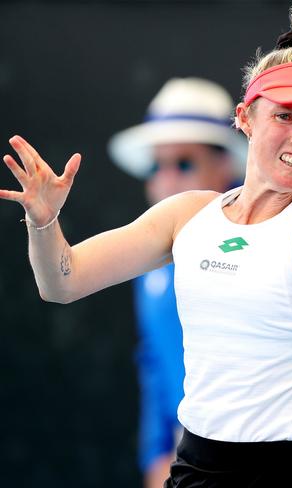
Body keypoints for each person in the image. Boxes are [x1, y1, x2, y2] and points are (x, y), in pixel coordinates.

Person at [0, 2, 292, 486]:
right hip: (196, 468)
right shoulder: (186, 216)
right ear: (246, 119)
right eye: (285, 116)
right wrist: (43, 222)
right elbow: (63, 282)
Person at [107, 78, 246, 488]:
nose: (167, 180)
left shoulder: (270, 236)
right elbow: (154, 359)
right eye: (157, 165)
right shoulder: (148, 257)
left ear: (226, 165)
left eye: (184, 163)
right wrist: (157, 454)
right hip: (191, 455)